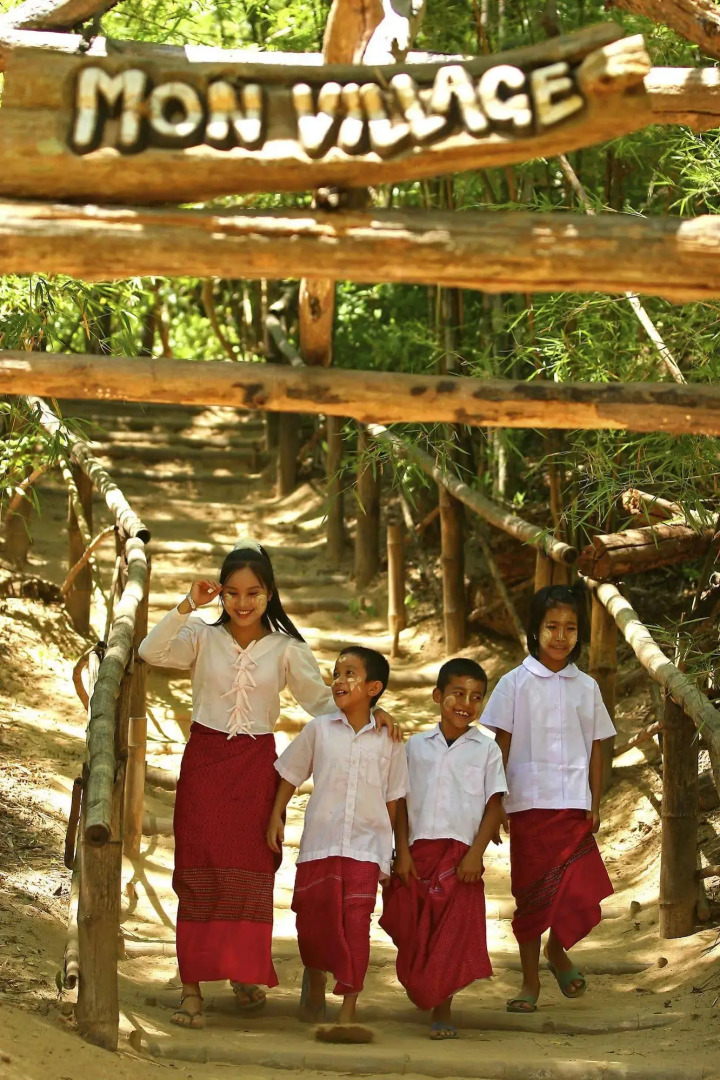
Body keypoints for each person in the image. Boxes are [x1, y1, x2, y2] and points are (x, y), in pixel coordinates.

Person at [138, 541, 399, 1030]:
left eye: (253, 592)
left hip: (257, 766)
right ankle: (192, 988)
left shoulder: (287, 649)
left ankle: (242, 971)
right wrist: (187, 604)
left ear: (269, 592)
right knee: (197, 869)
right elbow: (150, 651)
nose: (241, 602)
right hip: (205, 763)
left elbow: (323, 703)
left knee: (252, 872)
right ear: (220, 594)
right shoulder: (199, 635)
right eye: (232, 592)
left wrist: (370, 710)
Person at [481, 584, 616, 1014]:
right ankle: (529, 982)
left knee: (581, 888)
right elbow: (499, 744)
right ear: (534, 630)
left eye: (571, 628)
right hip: (528, 805)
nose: (561, 636)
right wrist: (497, 801)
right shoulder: (513, 683)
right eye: (552, 626)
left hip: (573, 802)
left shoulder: (587, 687)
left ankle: (557, 951)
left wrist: (595, 801)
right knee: (531, 897)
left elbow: (596, 746)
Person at [267, 645, 408, 1043]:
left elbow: (395, 799)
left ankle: (348, 1010)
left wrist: (398, 852)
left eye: (350, 674)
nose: (339, 681)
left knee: (355, 925)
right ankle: (314, 972)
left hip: (367, 846)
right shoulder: (319, 730)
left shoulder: (390, 740)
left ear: (374, 687)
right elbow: (291, 774)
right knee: (313, 922)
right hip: (321, 843)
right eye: (336, 673)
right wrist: (276, 814)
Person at [380, 657, 506, 1040]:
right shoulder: (414, 747)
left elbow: (494, 804)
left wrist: (475, 855)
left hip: (459, 858)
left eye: (476, 697)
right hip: (416, 854)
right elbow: (399, 802)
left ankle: (443, 1008)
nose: (465, 703)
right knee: (414, 928)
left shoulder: (487, 750)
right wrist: (400, 850)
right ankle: (424, 986)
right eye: (457, 693)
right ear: (438, 696)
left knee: (451, 936)